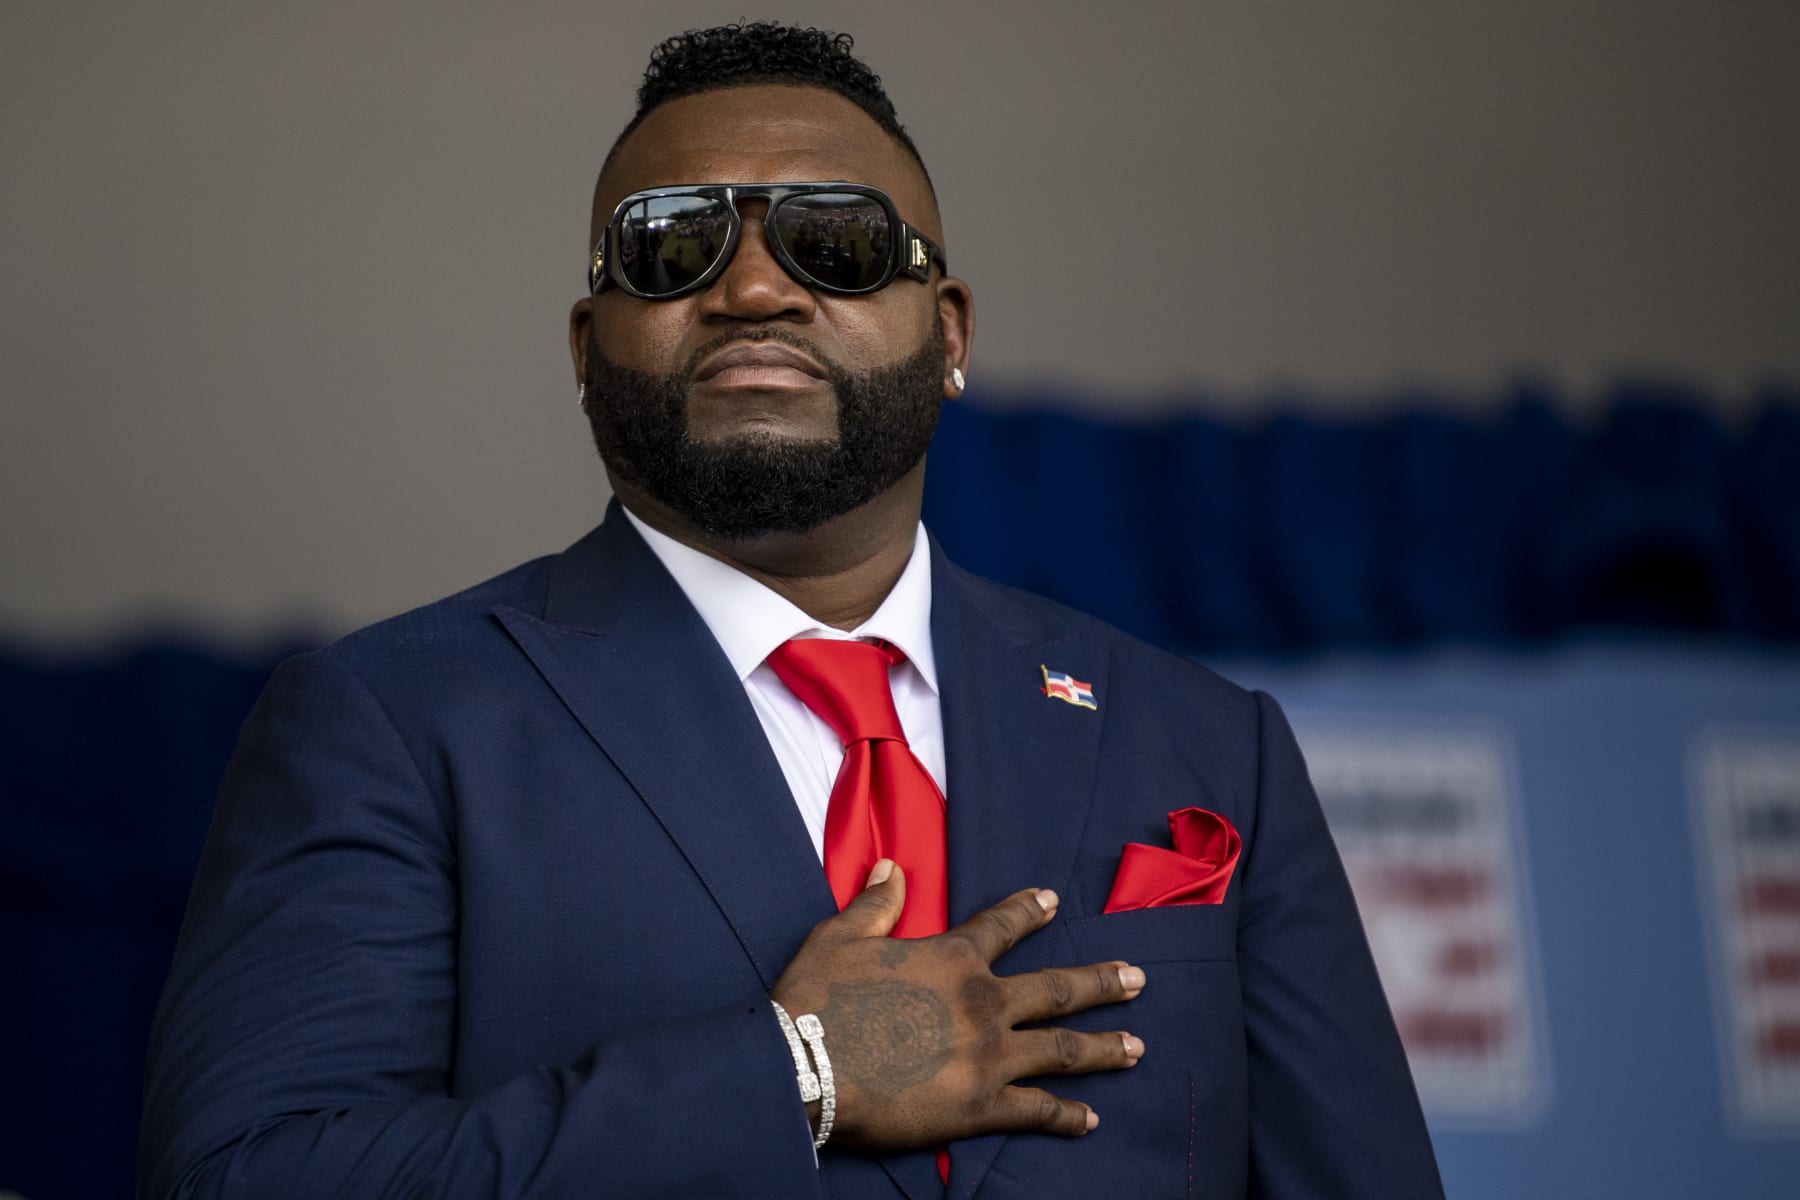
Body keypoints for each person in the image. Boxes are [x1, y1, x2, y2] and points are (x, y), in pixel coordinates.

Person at [139, 22, 1443, 1200]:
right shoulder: (392, 722)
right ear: (586, 351)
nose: (754, 288)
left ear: (949, 333)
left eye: (837, 240)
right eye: (672, 246)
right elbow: (244, 1176)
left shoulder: (1212, 746)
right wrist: (799, 1075)